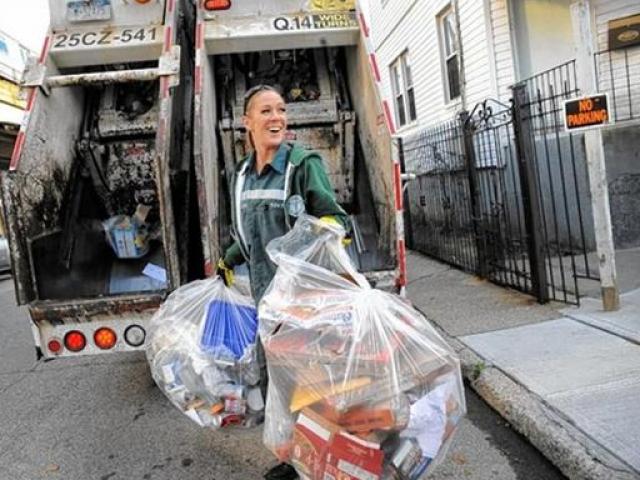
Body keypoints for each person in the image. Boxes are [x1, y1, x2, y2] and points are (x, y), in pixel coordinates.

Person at [216, 84, 350, 480]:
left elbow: (337, 219)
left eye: (281, 110)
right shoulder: (240, 175)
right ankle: (299, 462)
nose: (277, 118)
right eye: (266, 111)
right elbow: (247, 235)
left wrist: (326, 227)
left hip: (303, 303)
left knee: (312, 388)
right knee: (286, 387)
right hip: (267, 304)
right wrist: (227, 259)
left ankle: (324, 464)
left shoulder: (303, 164)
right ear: (247, 122)